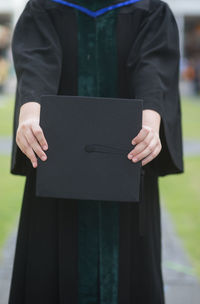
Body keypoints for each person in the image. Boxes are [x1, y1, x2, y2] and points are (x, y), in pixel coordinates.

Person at [8, 0, 184, 303]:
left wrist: (150, 121)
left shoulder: (150, 9)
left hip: (128, 160)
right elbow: (36, 63)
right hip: (56, 161)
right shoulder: (44, 7)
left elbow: (153, 68)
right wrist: (30, 112)